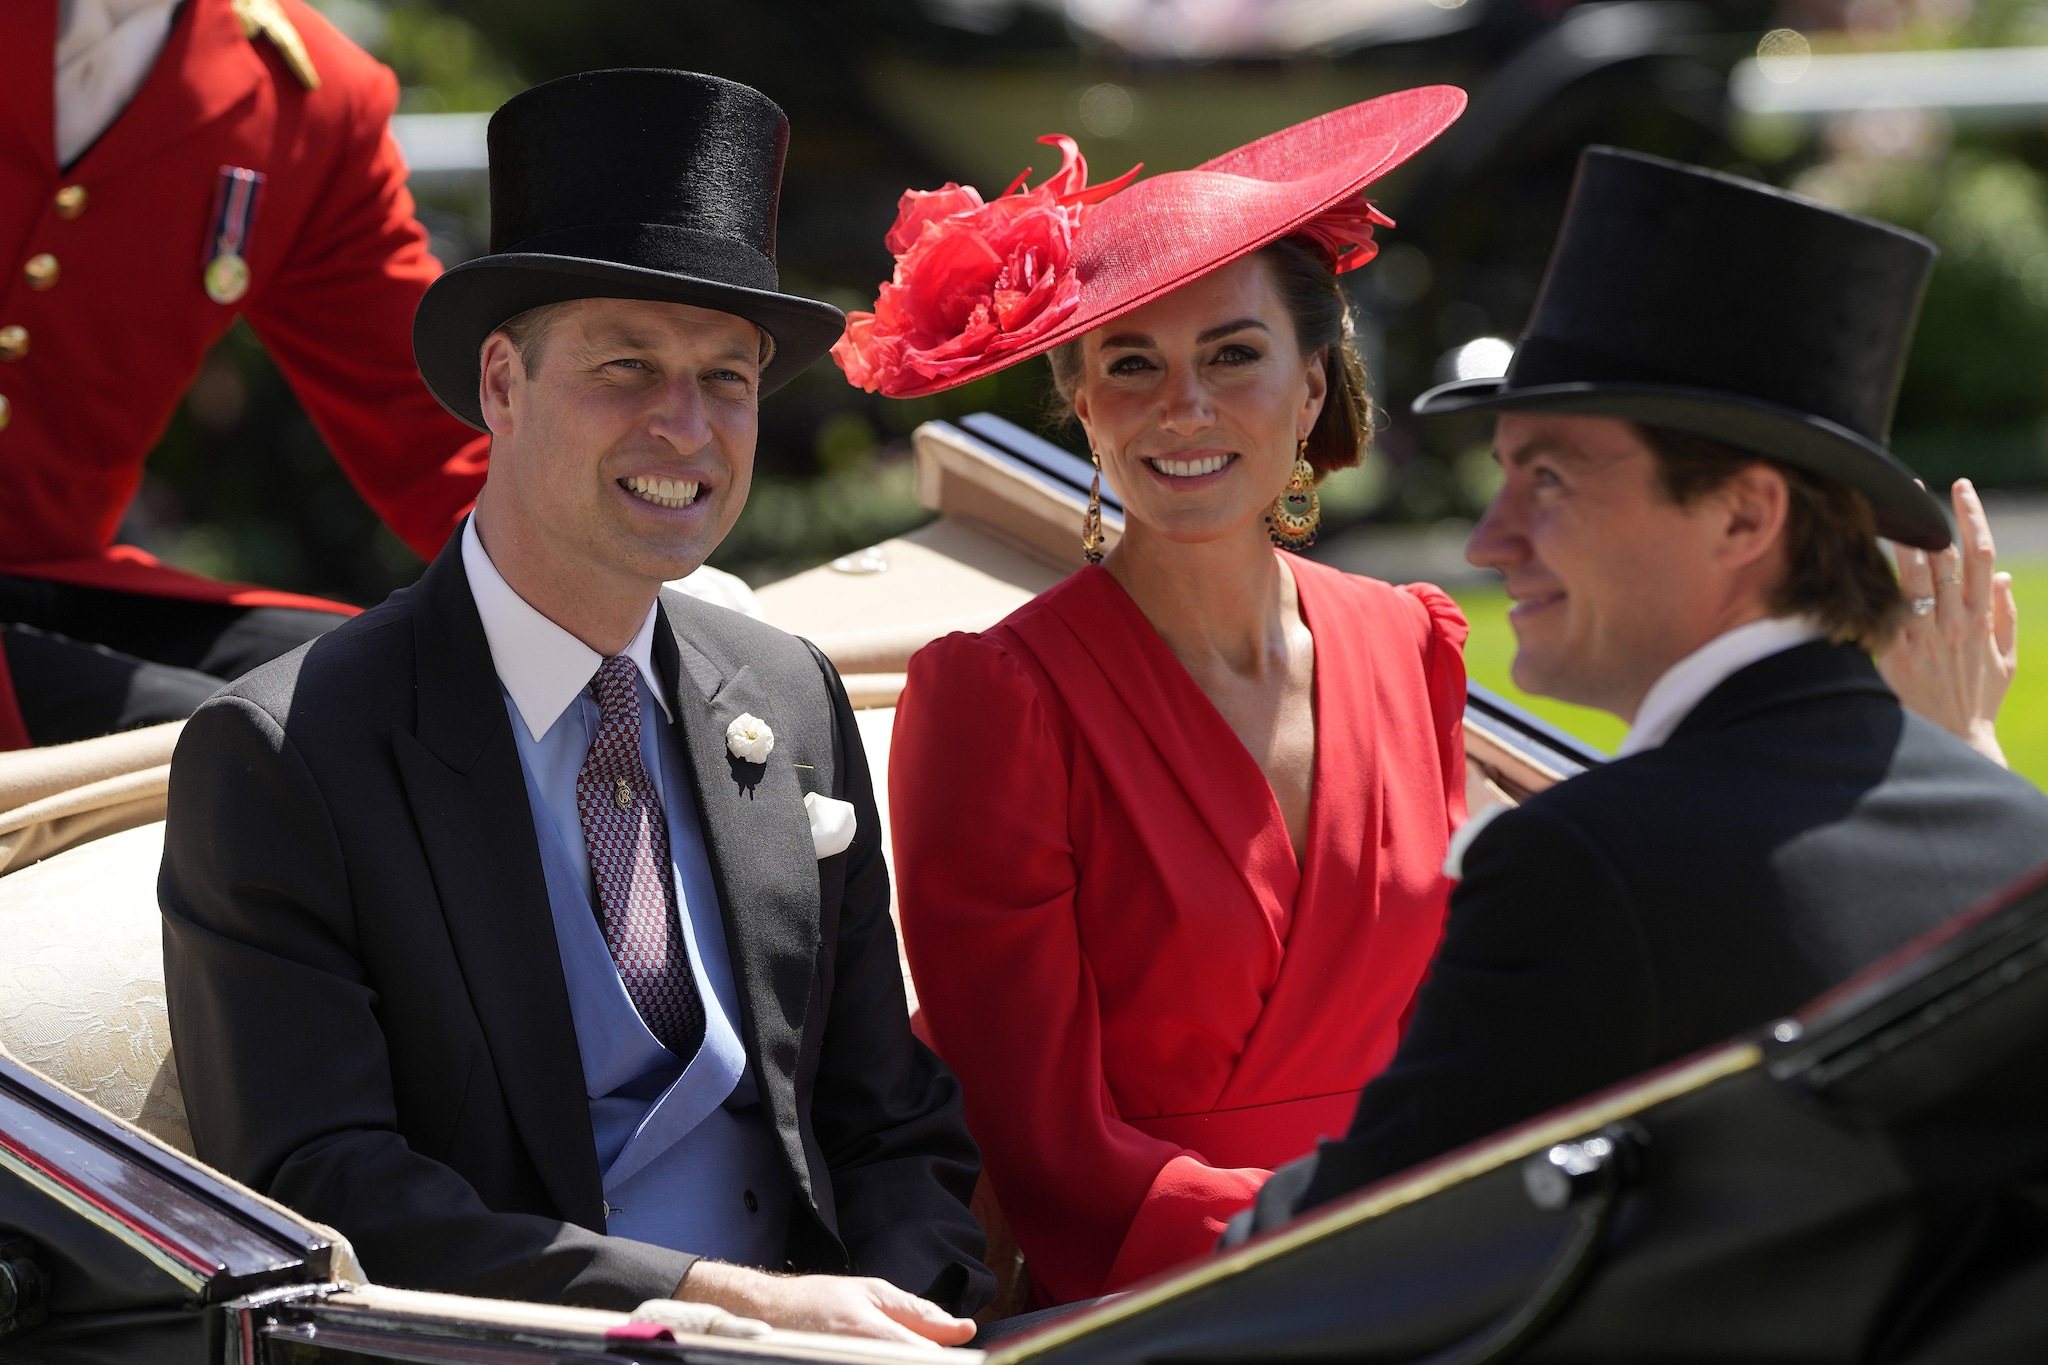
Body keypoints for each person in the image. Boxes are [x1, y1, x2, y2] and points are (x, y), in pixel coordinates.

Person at [161, 70, 991, 1339]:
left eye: (727, 378)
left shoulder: (786, 692)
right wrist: (716, 1308)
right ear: (502, 384)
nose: (687, 428)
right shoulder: (286, 754)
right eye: (625, 365)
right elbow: (319, 1188)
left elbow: (889, 1118)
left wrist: (915, 1314)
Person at [1237, 148, 2048, 1235]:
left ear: (1742, 516)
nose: (1490, 539)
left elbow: (1343, 1250)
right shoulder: (2018, 837)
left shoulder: (1585, 864)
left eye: (1549, 479)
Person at [832, 89, 1471, 1306]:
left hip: (1428, 1267)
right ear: (1079, 400)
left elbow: (1454, 1030)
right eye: (1131, 365)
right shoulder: (996, 698)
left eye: (1233, 355)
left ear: (1311, 385)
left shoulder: (1411, 642)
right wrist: (1324, 1241)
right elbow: (1038, 1142)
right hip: (1157, 1300)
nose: (1182, 407)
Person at [0, 0, 490, 748]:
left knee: (414, 695)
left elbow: (432, 423)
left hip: (44, 578)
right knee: (253, 749)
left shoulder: (311, 97)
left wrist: (633, 587)